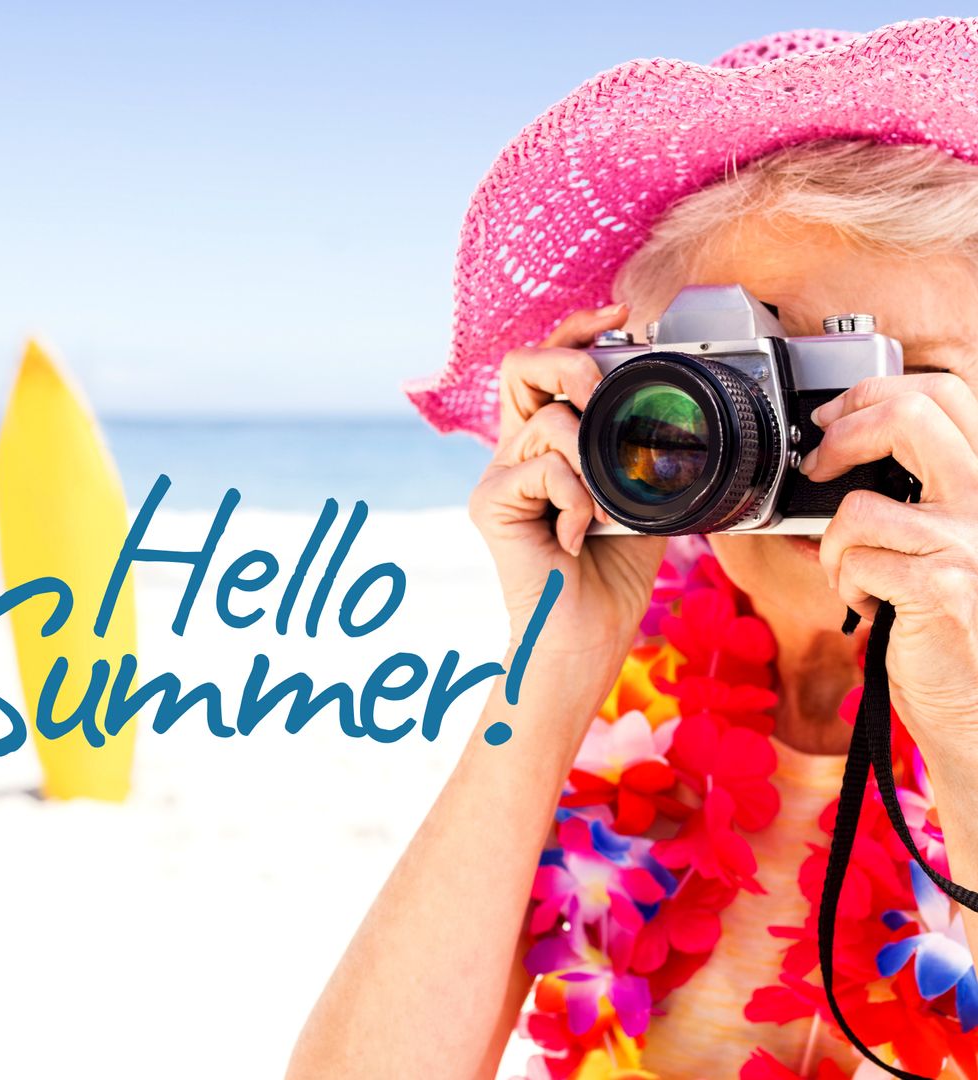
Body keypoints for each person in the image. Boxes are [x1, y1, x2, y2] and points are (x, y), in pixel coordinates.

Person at [288, 19, 978, 1079]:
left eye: (892, 389)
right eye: (760, 385)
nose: (814, 449)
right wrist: (551, 668)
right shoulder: (629, 703)